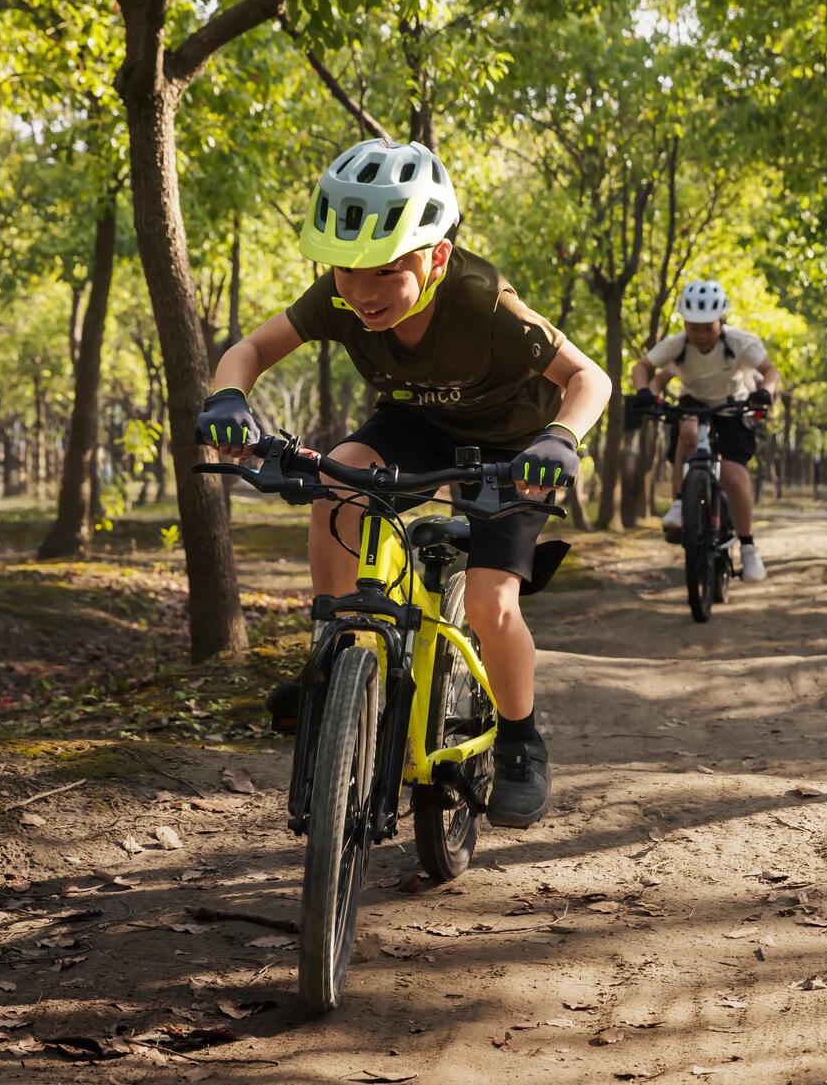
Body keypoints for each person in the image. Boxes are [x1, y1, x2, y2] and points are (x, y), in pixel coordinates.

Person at [195, 138, 610, 829]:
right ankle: (331, 659)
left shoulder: (484, 300)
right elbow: (250, 349)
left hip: (513, 448)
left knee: (490, 603)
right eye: (347, 270)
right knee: (337, 481)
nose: (362, 292)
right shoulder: (341, 295)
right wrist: (227, 399)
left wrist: (560, 439)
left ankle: (520, 740)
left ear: (437, 256)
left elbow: (588, 377)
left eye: (387, 272)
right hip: (415, 421)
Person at [626, 279, 780, 583]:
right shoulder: (677, 344)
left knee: (735, 477)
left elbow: (771, 371)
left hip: (732, 408)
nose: (700, 335)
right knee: (687, 427)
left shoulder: (740, 342)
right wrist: (645, 391)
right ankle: (681, 502)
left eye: (707, 327)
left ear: (720, 321)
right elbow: (642, 368)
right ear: (685, 323)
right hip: (693, 403)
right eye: (693, 327)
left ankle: (748, 548)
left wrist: (765, 392)